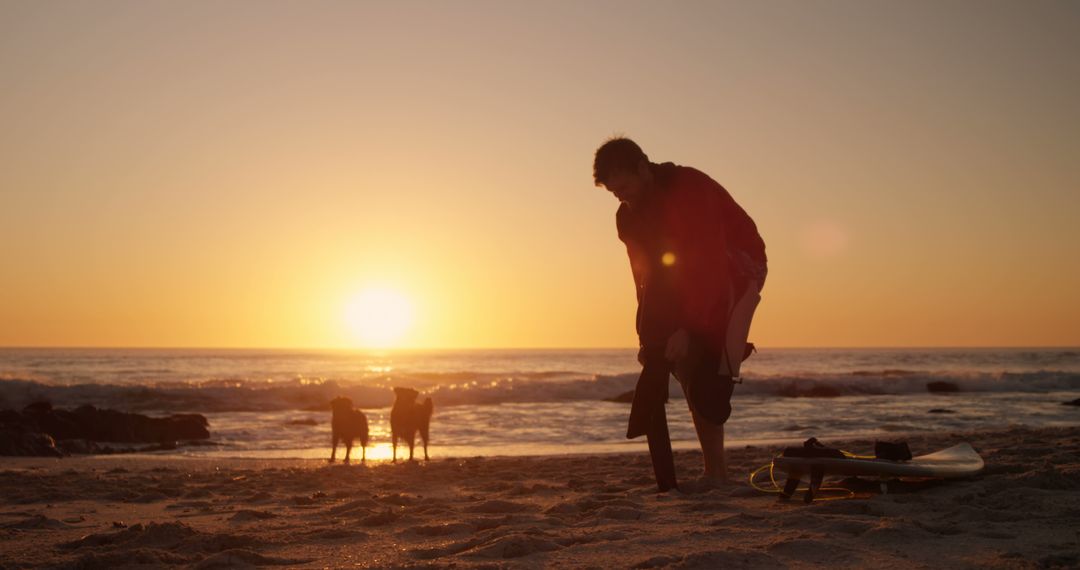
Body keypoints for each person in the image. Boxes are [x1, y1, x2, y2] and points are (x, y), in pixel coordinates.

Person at [593, 137, 767, 492]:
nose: (622, 197)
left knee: (704, 358)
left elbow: (708, 262)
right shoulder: (627, 216)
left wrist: (690, 328)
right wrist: (648, 335)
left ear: (644, 167)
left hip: (736, 263)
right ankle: (695, 473)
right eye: (614, 192)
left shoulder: (688, 189)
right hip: (679, 272)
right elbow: (643, 277)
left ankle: (716, 473)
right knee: (667, 356)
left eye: (625, 186)